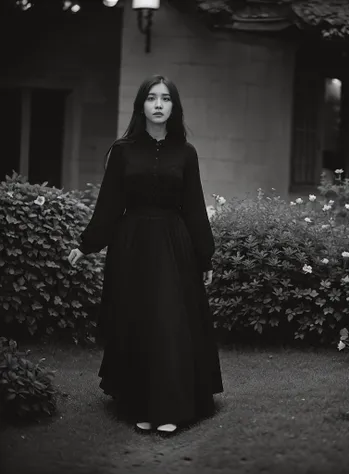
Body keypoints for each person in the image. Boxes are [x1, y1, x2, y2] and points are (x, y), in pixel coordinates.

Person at [67, 74, 224, 436]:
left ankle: (171, 407)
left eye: (165, 98)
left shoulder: (186, 153)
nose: (158, 104)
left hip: (174, 247)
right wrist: (86, 244)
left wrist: (205, 257)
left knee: (169, 324)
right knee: (138, 324)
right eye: (151, 98)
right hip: (132, 248)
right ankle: (139, 403)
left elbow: (195, 207)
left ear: (173, 106)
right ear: (141, 105)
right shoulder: (123, 151)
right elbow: (109, 205)